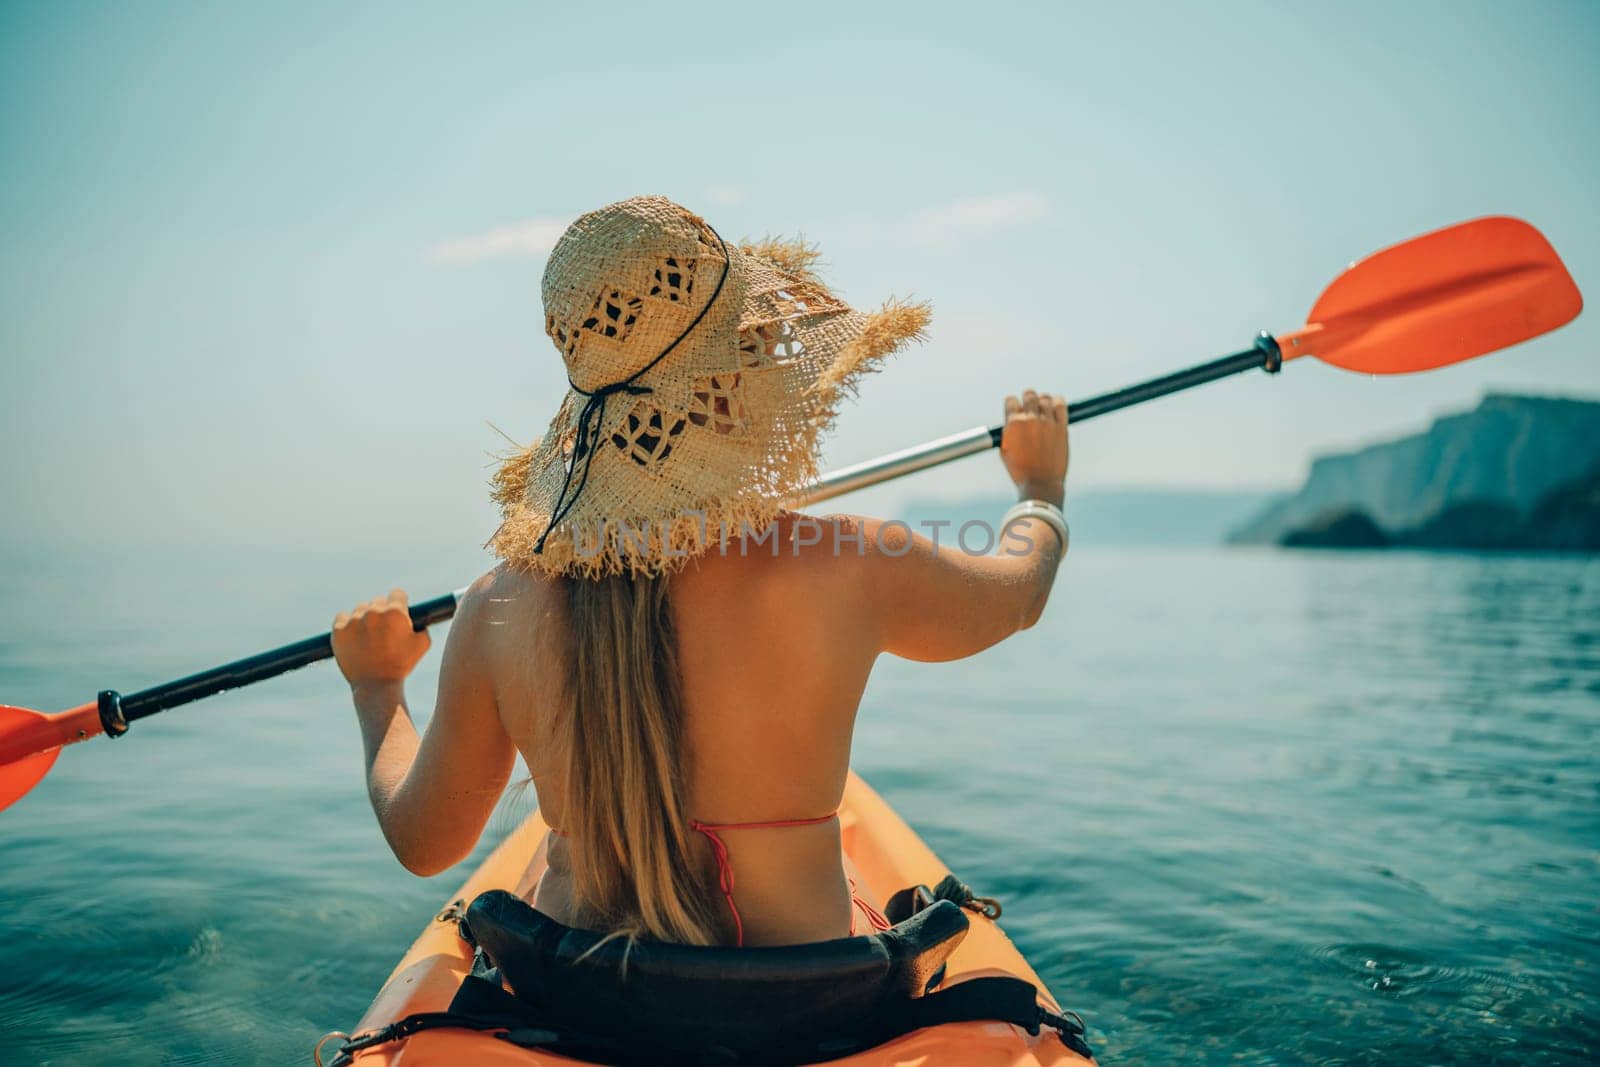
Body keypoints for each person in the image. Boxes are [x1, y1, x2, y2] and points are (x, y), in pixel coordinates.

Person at [331, 196, 1069, 949]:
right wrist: (1040, 490)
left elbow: (425, 843)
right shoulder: (850, 564)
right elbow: (1020, 590)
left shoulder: (501, 604)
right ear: (738, 381)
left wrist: (377, 687)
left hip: (582, 1010)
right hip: (805, 1012)